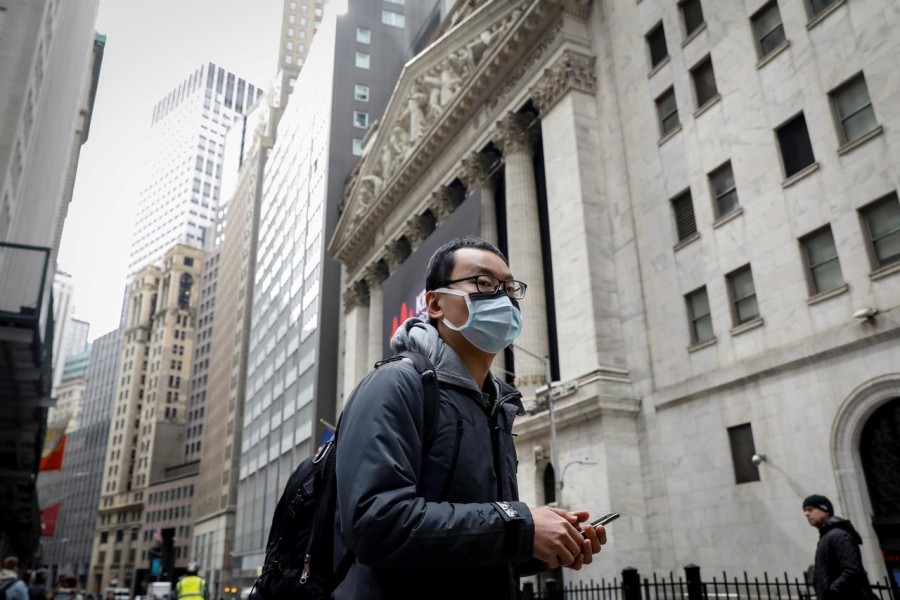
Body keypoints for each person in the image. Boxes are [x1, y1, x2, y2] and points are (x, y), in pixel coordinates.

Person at [334, 237, 607, 599]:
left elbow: (464, 546)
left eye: (509, 287)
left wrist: (544, 544)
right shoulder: (395, 384)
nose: (504, 298)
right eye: (483, 283)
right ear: (434, 304)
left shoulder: (496, 406)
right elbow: (376, 525)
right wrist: (519, 527)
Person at [803, 494, 876, 600]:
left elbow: (852, 570)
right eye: (805, 510)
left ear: (825, 510)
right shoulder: (827, 536)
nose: (806, 514)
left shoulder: (839, 535)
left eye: (810, 509)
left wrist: (831, 591)